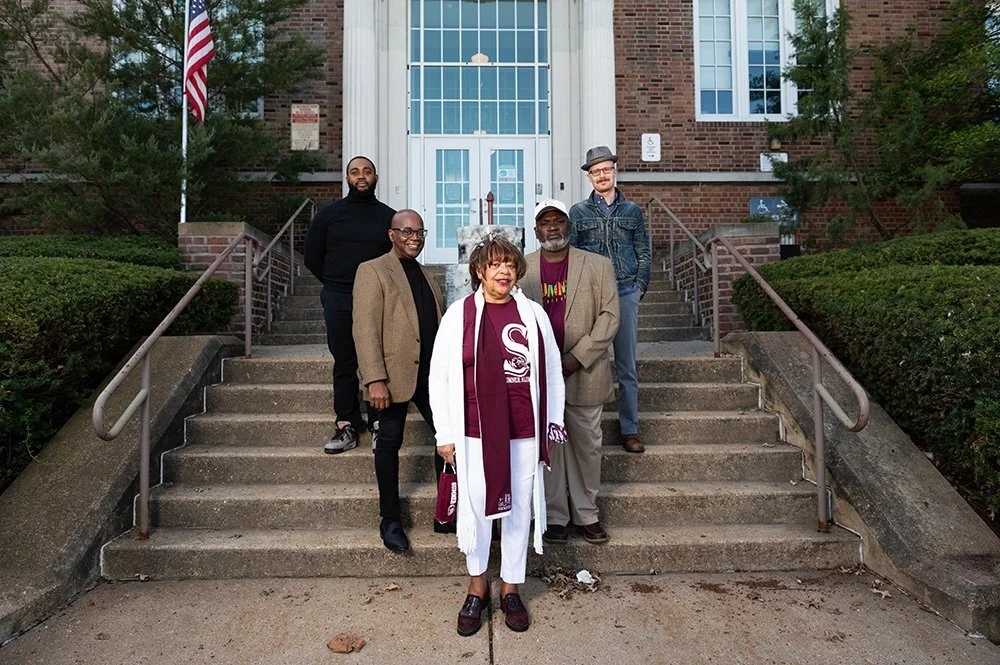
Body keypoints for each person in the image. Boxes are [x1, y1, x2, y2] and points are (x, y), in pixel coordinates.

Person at [429, 234, 566, 637]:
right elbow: (439, 376)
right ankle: (477, 588)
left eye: (509, 264)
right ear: (479, 271)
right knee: (476, 508)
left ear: (517, 271)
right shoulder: (459, 314)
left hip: (522, 429)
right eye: (494, 265)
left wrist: (551, 420)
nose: (503, 271)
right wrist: (445, 433)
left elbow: (553, 370)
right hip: (474, 431)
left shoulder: (533, 315)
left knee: (519, 509)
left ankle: (510, 588)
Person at [353, 210, 453, 553]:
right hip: (391, 378)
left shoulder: (428, 275)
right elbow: (364, 330)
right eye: (407, 231)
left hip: (432, 376)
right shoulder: (373, 271)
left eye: (420, 231)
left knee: (449, 438)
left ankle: (447, 512)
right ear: (392, 234)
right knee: (387, 447)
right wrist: (374, 380)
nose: (415, 237)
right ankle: (390, 519)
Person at [522, 200, 620, 545]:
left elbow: (610, 317)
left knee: (586, 445)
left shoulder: (598, 265)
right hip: (539, 374)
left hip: (585, 371)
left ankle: (587, 514)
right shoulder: (522, 268)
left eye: (558, 221)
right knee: (549, 446)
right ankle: (554, 515)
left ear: (569, 226)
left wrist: (577, 358)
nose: (552, 227)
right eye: (545, 223)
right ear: (536, 231)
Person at [304, 156, 394, 454]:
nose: (361, 176)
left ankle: (380, 422)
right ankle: (347, 424)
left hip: (378, 300)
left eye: (367, 171)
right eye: (355, 172)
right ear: (347, 178)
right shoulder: (329, 215)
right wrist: (334, 284)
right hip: (339, 297)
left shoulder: (388, 218)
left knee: (379, 360)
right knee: (345, 362)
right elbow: (312, 258)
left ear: (376, 177)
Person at [569, 145, 651, 454]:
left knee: (627, 367)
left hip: (626, 292)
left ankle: (629, 429)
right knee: (591, 361)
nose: (602, 176)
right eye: (595, 172)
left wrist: (640, 286)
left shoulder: (631, 211)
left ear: (614, 172)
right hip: (592, 299)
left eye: (606, 170)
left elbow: (643, 251)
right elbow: (573, 255)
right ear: (589, 177)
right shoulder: (578, 213)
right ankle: (588, 429)